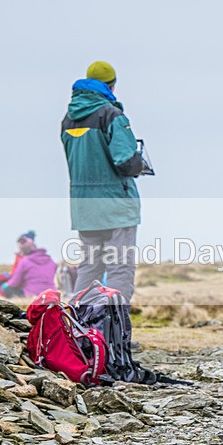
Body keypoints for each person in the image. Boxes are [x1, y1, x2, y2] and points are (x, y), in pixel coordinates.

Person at [60, 61, 143, 303]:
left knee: (89, 269)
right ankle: (115, 337)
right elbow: (125, 161)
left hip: (84, 207)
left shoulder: (69, 119)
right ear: (112, 86)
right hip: (116, 205)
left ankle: (80, 332)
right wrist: (139, 163)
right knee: (119, 270)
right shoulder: (112, 115)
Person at [0, 231, 57, 298]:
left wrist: (4, 286)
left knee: (8, 289)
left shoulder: (24, 261)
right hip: (51, 294)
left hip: (31, 294)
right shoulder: (50, 260)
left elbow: (15, 282)